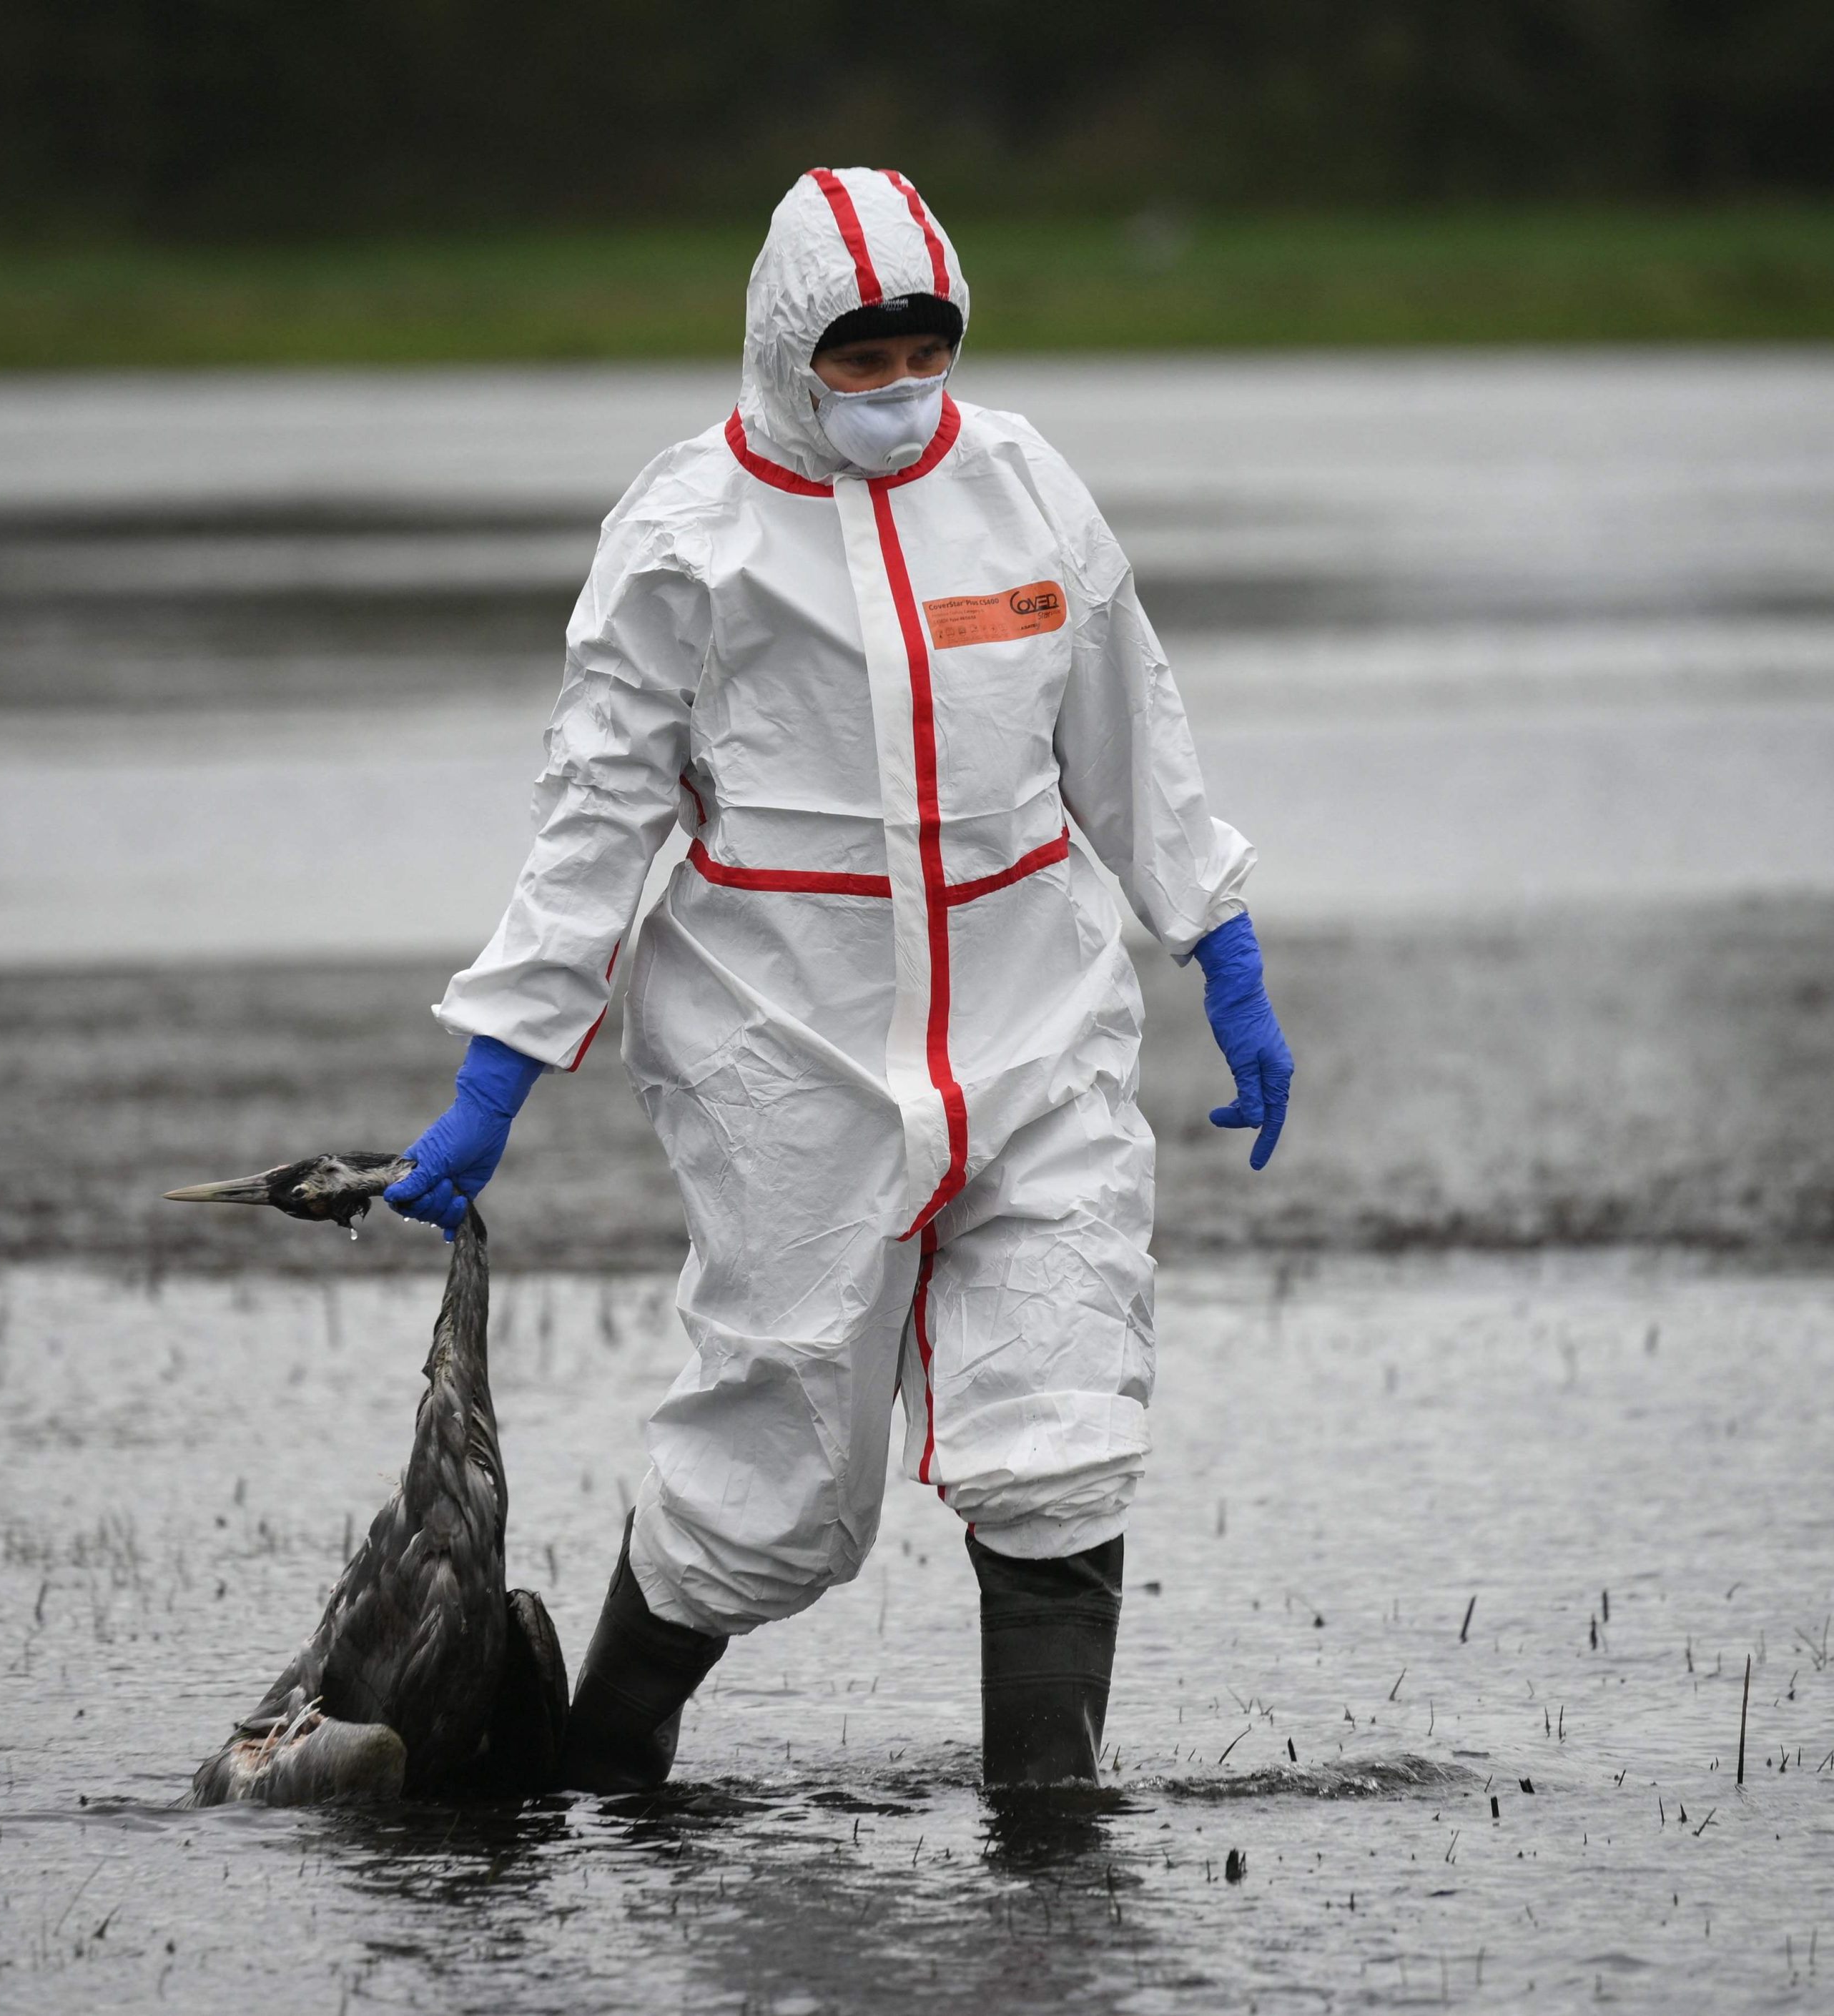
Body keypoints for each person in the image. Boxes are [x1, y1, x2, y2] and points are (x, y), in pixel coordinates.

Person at [385, 167, 1291, 1792]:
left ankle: (1050, 1840)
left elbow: (1130, 737)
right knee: (773, 1473)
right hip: (783, 1052)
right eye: (855, 362)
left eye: (918, 352)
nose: (893, 392)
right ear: (783, 351)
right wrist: (490, 1082)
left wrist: (1220, 953)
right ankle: (599, 1783)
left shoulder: (1023, 491)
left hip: (1037, 1037)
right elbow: (592, 819)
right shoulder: (685, 536)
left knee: (1062, 1425)